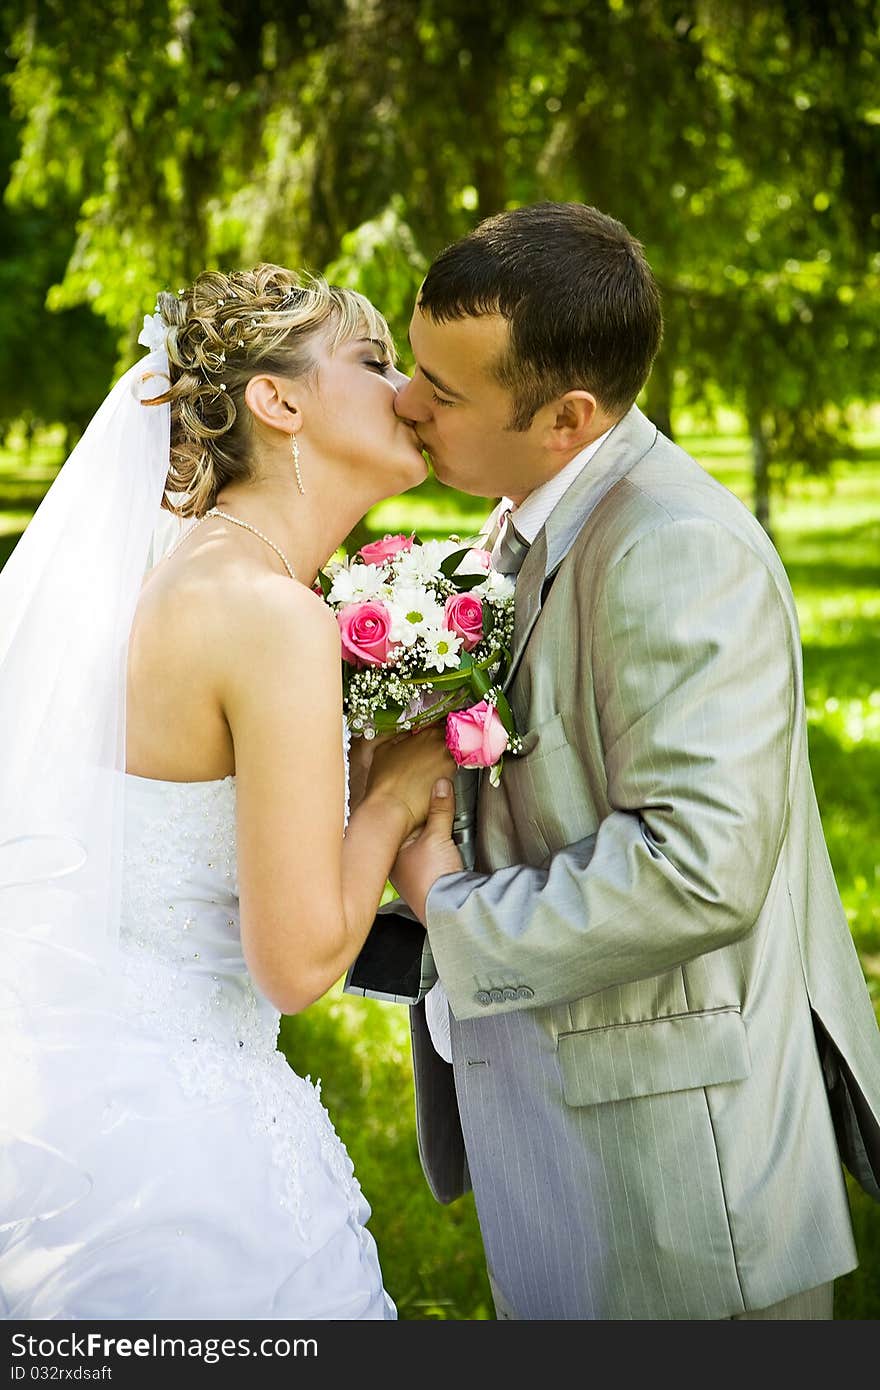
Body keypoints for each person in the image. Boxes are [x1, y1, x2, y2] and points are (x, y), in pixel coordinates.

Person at [383, 202, 880, 1320]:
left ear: (564, 417)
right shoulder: (520, 521)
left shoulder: (671, 546)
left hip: (679, 1186)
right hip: (576, 1140)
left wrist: (445, 903)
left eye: (441, 391)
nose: (403, 403)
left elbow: (699, 864)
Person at [0, 263, 454, 1319]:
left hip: (101, 1105)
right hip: (181, 1158)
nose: (410, 393)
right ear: (278, 399)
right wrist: (393, 792)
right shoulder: (266, 611)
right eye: (375, 361)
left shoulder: (210, 574)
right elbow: (294, 963)